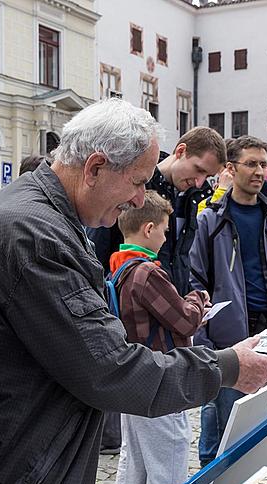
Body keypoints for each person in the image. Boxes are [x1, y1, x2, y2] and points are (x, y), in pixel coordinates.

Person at [0, 98, 267, 484]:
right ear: (96, 168)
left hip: (29, 470)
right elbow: (110, 368)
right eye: (137, 181)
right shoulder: (34, 232)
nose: (138, 199)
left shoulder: (42, 214)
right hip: (28, 480)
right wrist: (229, 366)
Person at [91, 126, 226, 454]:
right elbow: (100, 249)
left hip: (167, 311)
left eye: (207, 176)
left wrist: (184, 297)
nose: (199, 181)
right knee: (160, 447)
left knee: (139, 453)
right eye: (198, 170)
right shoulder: (138, 189)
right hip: (143, 328)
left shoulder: (192, 196)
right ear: (180, 152)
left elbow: (182, 255)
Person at [107, 190, 210, 484]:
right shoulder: (147, 272)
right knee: (168, 477)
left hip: (134, 381)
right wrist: (199, 299)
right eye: (164, 231)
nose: (167, 238)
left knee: (134, 470)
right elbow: (185, 321)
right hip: (161, 382)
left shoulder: (117, 267)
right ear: (148, 229)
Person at [189, 135, 267, 469]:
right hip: (232, 337)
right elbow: (197, 279)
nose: (259, 171)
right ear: (230, 168)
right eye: (251, 163)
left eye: (263, 164)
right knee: (230, 423)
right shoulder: (210, 219)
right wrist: (205, 335)